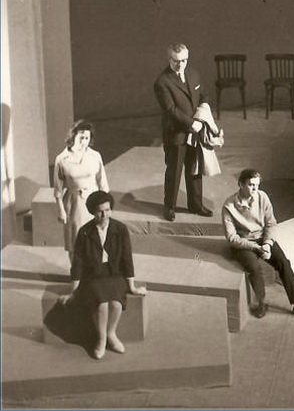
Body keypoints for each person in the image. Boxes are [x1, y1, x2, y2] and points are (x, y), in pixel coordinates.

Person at [59, 191, 146, 359]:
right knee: (102, 304)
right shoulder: (84, 232)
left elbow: (127, 258)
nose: (104, 215)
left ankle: (111, 334)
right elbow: (78, 263)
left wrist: (132, 287)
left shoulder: (120, 229)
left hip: (114, 274)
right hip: (93, 276)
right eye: (100, 211)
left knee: (116, 304)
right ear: (92, 212)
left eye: (107, 210)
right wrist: (74, 291)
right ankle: (101, 339)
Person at [222, 169, 294, 321]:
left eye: (257, 185)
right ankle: (261, 303)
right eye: (251, 185)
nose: (255, 189)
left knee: (283, 262)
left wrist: (267, 244)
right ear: (241, 184)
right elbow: (232, 238)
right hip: (244, 243)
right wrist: (255, 247)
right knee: (254, 268)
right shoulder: (229, 205)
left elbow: (271, 223)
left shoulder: (262, 197)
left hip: (263, 239)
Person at [153, 43, 213, 221]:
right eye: (176, 61)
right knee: (174, 171)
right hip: (176, 134)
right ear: (169, 59)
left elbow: (204, 95)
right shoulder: (162, 82)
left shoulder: (194, 74)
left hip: (195, 132)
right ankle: (169, 207)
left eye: (184, 60)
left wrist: (203, 110)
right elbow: (170, 110)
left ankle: (196, 205)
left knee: (195, 169)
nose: (180, 65)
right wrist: (192, 123)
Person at [53, 120, 109, 257]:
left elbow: (103, 183)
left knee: (95, 241)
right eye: (81, 137)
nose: (84, 142)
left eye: (87, 138)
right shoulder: (61, 159)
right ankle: (75, 270)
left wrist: (105, 208)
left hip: (93, 202)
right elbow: (58, 190)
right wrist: (61, 210)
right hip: (73, 204)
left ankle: (94, 269)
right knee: (74, 243)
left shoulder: (95, 156)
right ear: (73, 137)